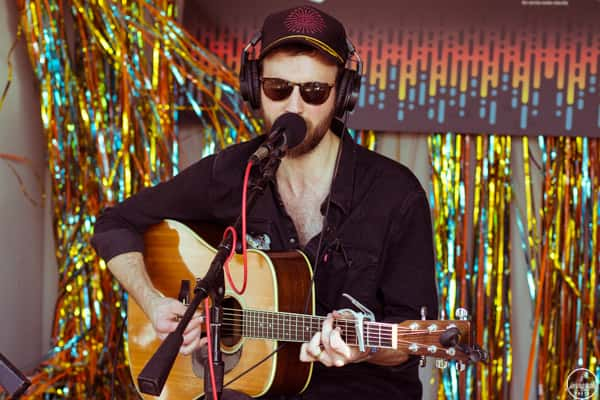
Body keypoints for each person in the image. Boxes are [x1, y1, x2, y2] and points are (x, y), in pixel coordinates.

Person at [92, 5, 438, 399]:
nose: (294, 107)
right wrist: (153, 303)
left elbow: (412, 337)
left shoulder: (395, 195)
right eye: (278, 89)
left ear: (343, 94)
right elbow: (114, 224)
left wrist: (365, 347)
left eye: (314, 92)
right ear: (254, 88)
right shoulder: (233, 173)